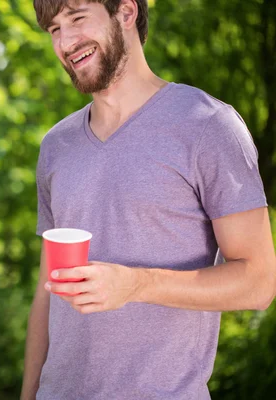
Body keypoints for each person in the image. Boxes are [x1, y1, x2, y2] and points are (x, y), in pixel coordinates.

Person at [21, 1, 276, 399]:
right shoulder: (57, 145)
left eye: (76, 18)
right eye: (54, 29)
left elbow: (259, 283)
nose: (66, 42)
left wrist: (137, 284)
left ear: (125, 13)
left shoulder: (207, 124)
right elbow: (46, 290)